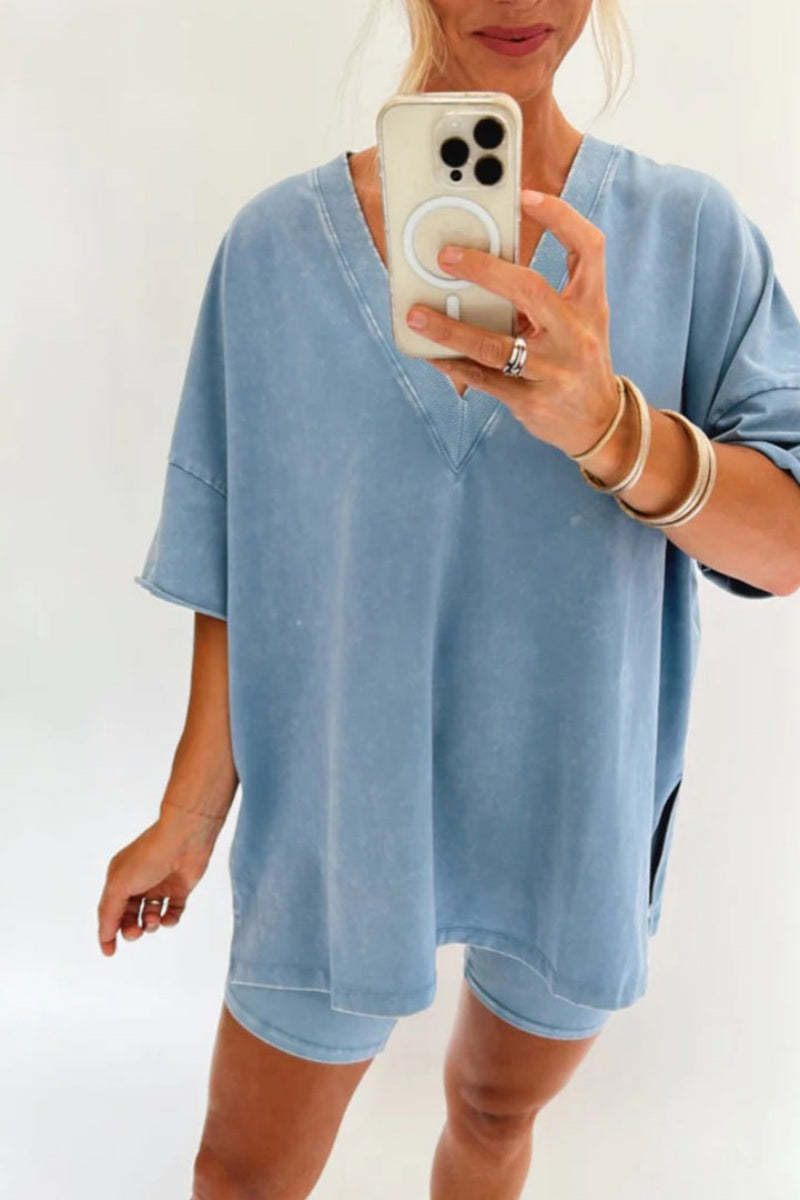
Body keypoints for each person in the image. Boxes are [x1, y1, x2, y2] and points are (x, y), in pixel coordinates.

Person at [97, 0, 800, 1196]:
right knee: (241, 1174)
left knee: (489, 1110)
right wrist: (188, 814)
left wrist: (609, 426)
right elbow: (240, 562)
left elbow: (781, 545)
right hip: (334, 826)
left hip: (572, 818)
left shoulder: (689, 237)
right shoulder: (273, 253)